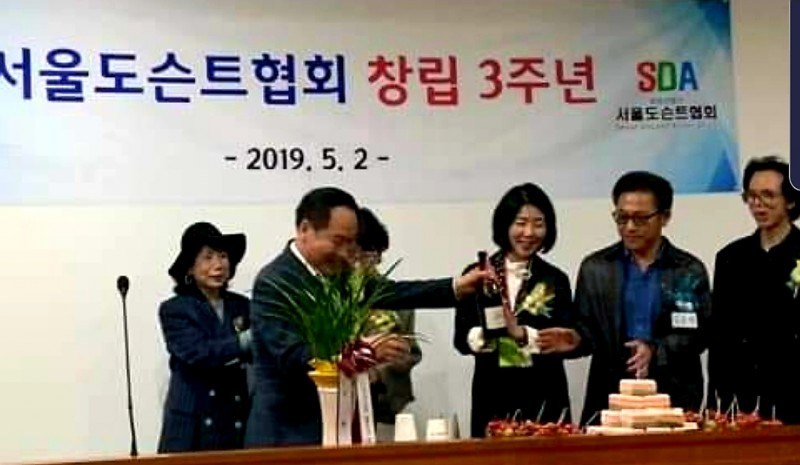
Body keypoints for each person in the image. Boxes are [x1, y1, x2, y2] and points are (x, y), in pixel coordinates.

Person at [244, 186, 490, 447]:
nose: (345, 253)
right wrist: (365, 352)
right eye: (338, 241)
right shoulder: (275, 282)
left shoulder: (339, 274)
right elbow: (295, 357)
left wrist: (457, 286)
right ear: (305, 229)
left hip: (340, 430)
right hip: (288, 436)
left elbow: (395, 292)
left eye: (351, 243)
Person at [537, 171, 711, 425]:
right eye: (622, 217)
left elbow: (699, 334)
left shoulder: (687, 270)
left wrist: (655, 350)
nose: (629, 227)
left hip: (673, 392)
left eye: (640, 218)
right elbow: (588, 330)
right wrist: (575, 339)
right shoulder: (596, 268)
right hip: (610, 394)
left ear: (665, 217)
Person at [453, 183, 574, 437]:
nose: (529, 233)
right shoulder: (478, 274)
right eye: (520, 223)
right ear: (505, 224)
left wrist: (521, 334)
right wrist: (489, 335)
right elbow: (461, 340)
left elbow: (566, 339)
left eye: (538, 224)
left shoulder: (555, 279)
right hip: (492, 393)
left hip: (544, 394)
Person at [708, 155, 800, 423]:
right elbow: (720, 333)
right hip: (742, 394)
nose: (758, 204)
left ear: (790, 201)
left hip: (793, 389)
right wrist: (716, 398)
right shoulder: (730, 257)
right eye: (752, 196)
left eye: (768, 195)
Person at [157, 222, 252, 452]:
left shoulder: (242, 305)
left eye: (223, 256)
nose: (218, 265)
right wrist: (245, 341)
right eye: (208, 257)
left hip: (234, 417)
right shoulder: (175, 309)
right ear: (190, 268)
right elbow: (199, 353)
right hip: (192, 424)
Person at [355, 207, 422, 442]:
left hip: (386, 405)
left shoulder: (395, 297)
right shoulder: (327, 298)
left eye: (377, 255)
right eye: (365, 254)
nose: (371, 263)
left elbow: (412, 351)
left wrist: (392, 363)